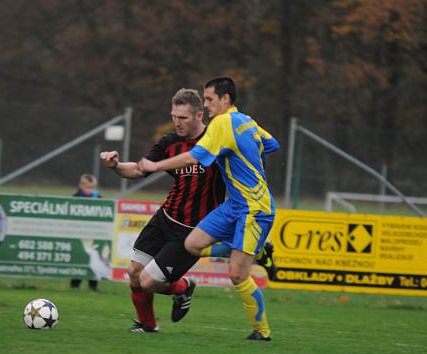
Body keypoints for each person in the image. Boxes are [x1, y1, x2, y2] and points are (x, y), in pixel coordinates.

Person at [138, 77, 279, 341]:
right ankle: (257, 252)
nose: (206, 104)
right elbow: (271, 144)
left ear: (226, 99)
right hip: (232, 205)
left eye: (210, 99)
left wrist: (155, 166)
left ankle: (262, 332)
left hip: (254, 207)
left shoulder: (223, 123)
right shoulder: (246, 121)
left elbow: (194, 156)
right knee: (193, 243)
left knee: (237, 274)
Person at [100, 88, 227, 333]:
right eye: (174, 116)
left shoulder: (218, 141)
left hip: (192, 232)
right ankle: (148, 326)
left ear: (199, 114)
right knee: (134, 273)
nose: (177, 122)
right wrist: (115, 166)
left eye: (183, 117)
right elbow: (139, 169)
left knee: (148, 282)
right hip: (165, 218)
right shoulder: (170, 142)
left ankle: (182, 287)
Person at [71, 173, 102, 291]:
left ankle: (93, 285)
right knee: (79, 257)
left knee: (94, 258)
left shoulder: (99, 198)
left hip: (94, 235)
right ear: (81, 186)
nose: (90, 190)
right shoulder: (75, 198)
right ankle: (75, 284)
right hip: (79, 234)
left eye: (92, 187)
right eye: (88, 187)